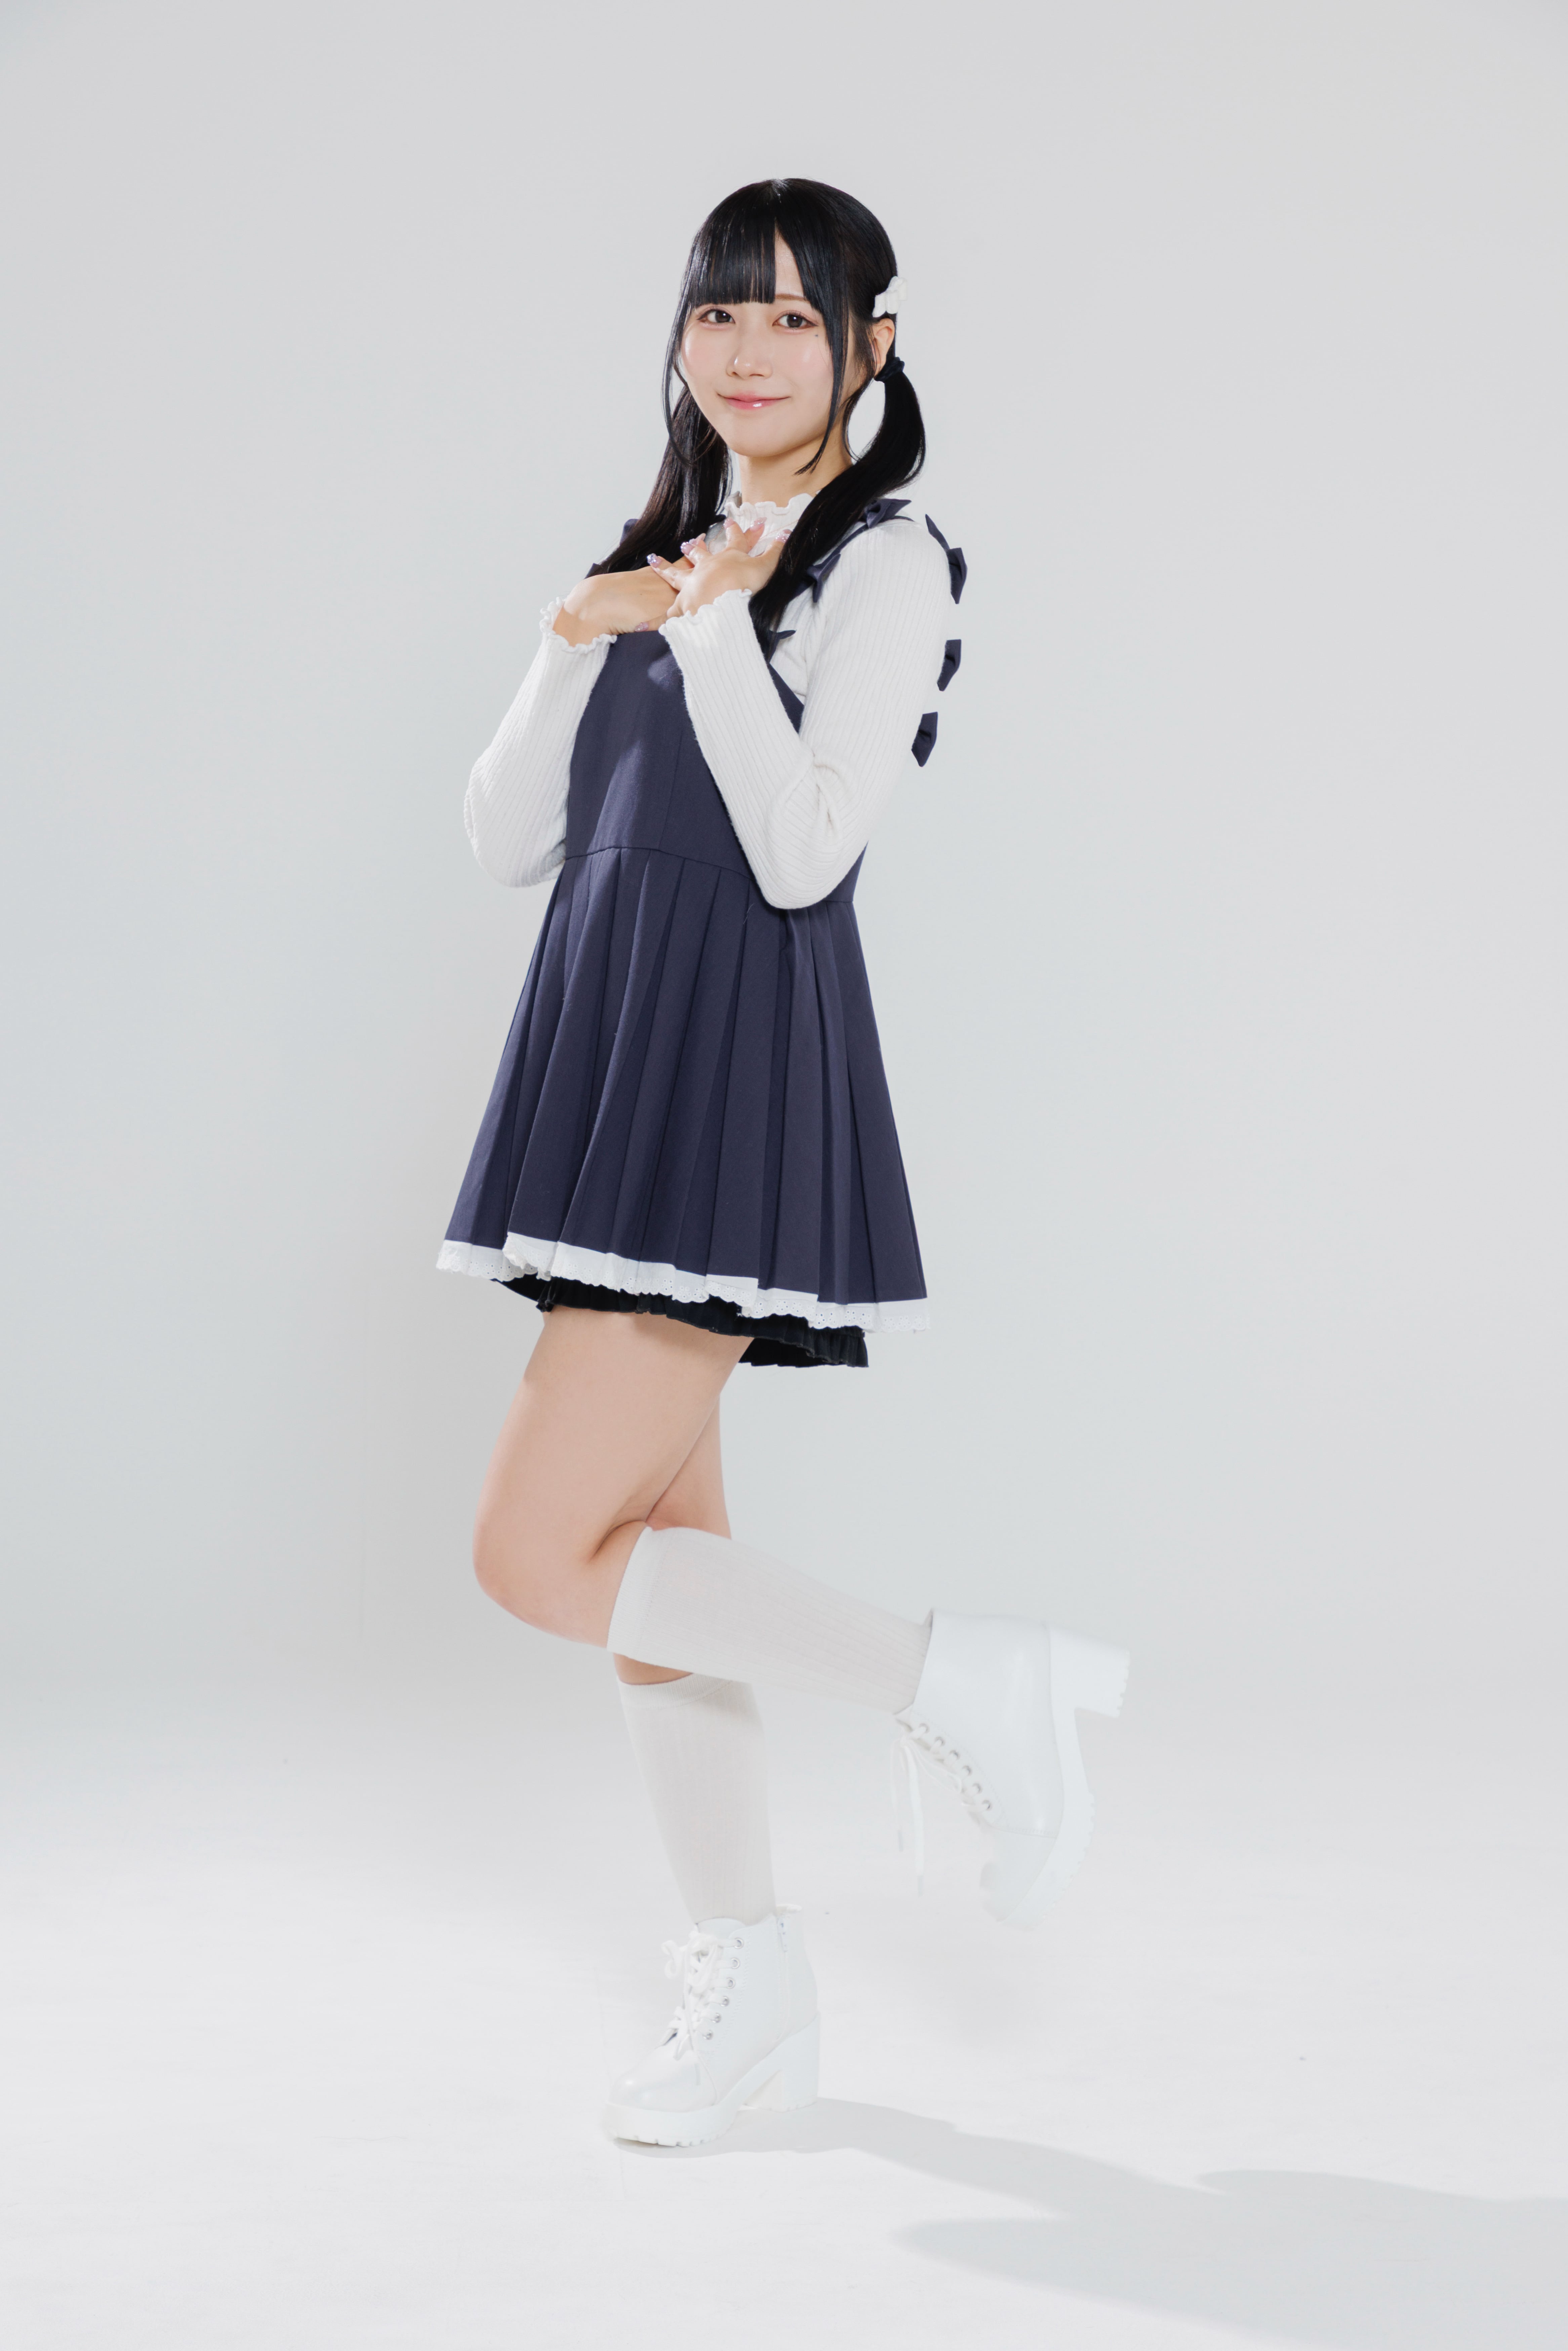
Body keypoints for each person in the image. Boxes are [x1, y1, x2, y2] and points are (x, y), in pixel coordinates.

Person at [440, 177, 1128, 2148]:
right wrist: (574, 634)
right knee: (670, 1570)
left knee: (533, 1556)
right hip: (609, 1060)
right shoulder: (664, 554)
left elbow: (809, 846)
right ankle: (752, 1984)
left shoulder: (888, 563)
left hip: (722, 1070)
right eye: (717, 313)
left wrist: (725, 624)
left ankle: (961, 1679)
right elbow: (506, 839)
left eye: (792, 318)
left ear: (869, 346)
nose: (746, 352)